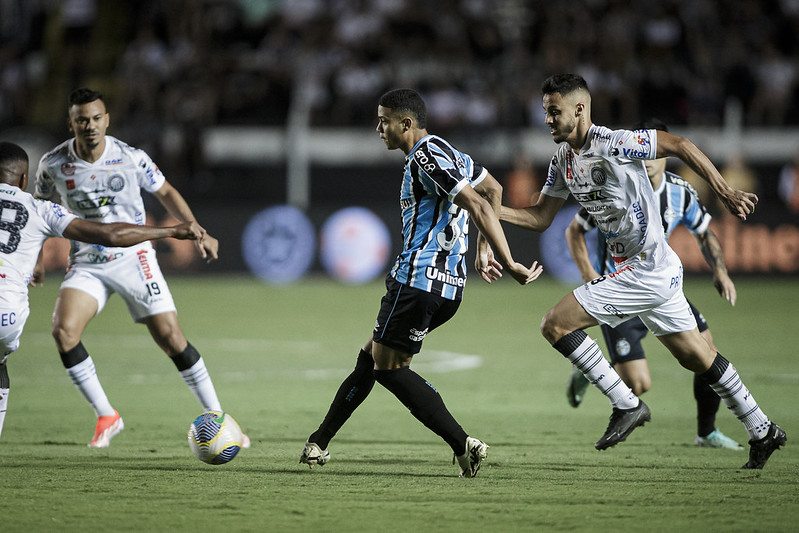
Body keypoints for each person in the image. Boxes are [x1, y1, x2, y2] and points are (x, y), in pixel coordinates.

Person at [489, 74, 785, 469]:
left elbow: (679, 144)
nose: (547, 119)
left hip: (643, 271)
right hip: (654, 270)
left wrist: (725, 190)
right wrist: (489, 211)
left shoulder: (615, 142)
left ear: (579, 110)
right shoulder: (562, 160)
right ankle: (763, 430)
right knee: (699, 357)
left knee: (554, 324)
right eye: (545, 111)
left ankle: (627, 404)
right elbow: (541, 217)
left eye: (553, 111)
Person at [299, 88, 542, 477]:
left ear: (406, 123)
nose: (379, 128)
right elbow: (492, 189)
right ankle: (318, 442)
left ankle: (463, 444)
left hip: (417, 280)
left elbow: (481, 203)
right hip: (448, 287)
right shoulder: (454, 153)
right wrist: (482, 249)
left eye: (384, 121)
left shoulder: (427, 156)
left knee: (388, 369)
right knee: (372, 357)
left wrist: (507, 259)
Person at [34, 88, 249, 448]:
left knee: (172, 338)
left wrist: (198, 230)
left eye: (97, 118)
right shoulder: (53, 164)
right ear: (70, 122)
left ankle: (220, 418)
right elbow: (37, 212)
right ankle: (106, 415)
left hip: (135, 259)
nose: (91, 125)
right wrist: (38, 260)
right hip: (88, 262)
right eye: (82, 119)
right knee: (63, 331)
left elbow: (166, 191)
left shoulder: (129, 158)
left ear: (107, 119)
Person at [0, 141, 204, 441]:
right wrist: (171, 231)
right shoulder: (39, 208)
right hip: (9, 315)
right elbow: (110, 234)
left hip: (126, 266)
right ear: (23, 179)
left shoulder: (122, 158)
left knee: (169, 335)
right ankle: (106, 414)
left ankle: (210, 409)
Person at [564, 118, 742, 450]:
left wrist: (720, 269)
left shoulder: (681, 192)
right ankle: (591, 369)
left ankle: (706, 431)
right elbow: (574, 230)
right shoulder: (616, 184)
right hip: (622, 289)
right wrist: (591, 278)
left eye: (653, 152)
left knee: (707, 349)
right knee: (638, 384)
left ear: (662, 152)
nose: (646, 159)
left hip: (660, 286)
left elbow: (704, 232)